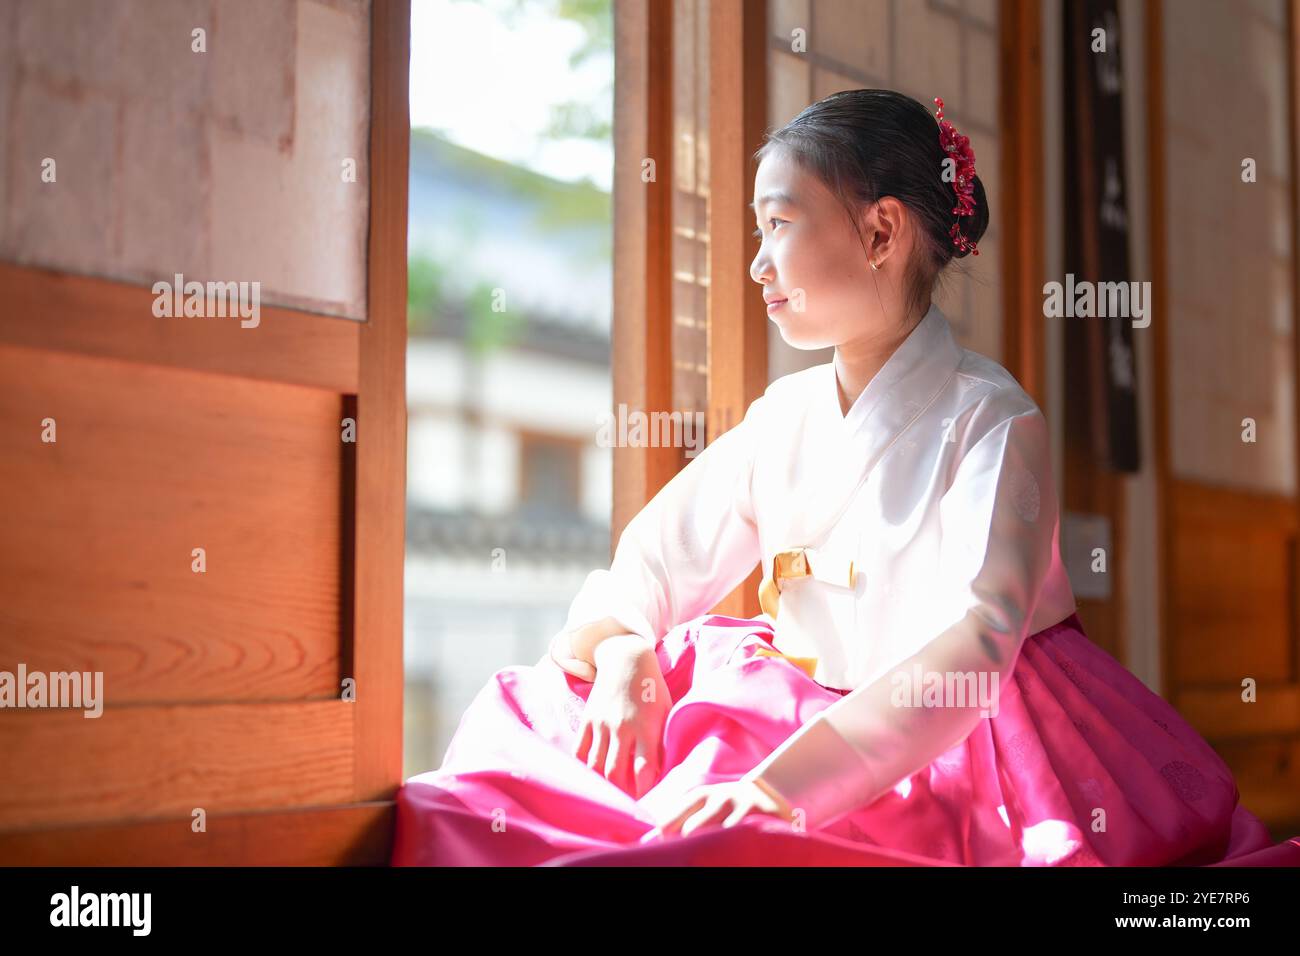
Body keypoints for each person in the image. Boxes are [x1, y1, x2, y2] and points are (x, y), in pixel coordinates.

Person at [392, 89, 1292, 867]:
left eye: (778, 224)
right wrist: (626, 648)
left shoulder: (992, 420)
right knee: (519, 743)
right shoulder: (782, 415)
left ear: (881, 231)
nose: (757, 262)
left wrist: (779, 788)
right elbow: (660, 561)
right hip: (790, 701)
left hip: (959, 729)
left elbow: (977, 643)